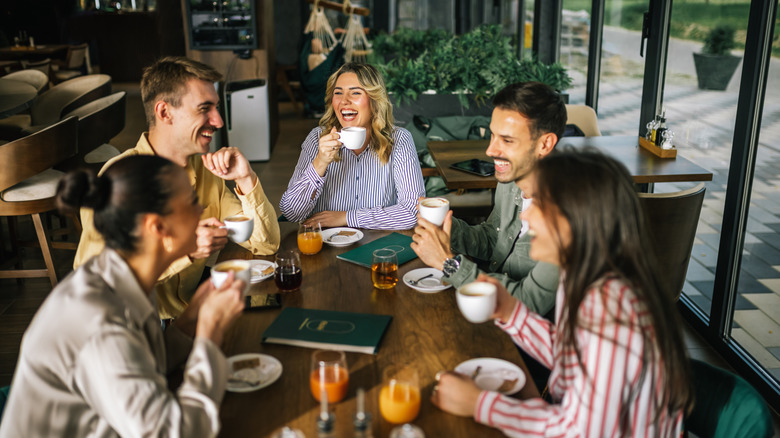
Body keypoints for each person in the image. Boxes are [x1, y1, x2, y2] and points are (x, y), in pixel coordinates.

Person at [431, 150, 692, 437]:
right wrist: (510, 312)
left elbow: (576, 431)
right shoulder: (586, 275)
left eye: (539, 203)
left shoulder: (612, 313)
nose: (526, 213)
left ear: (574, 219)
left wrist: (479, 403)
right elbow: (573, 352)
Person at [0, 156, 245, 437]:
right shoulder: (99, 322)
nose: (200, 208)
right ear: (158, 228)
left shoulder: (122, 273)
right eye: (191, 201)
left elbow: (139, 366)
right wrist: (209, 336)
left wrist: (188, 325)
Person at [73, 56, 280, 319]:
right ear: (164, 112)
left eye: (216, 108)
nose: (218, 121)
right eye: (204, 108)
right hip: (141, 327)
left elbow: (266, 245)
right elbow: (95, 289)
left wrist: (245, 178)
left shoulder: (206, 169)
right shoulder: (118, 182)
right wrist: (185, 251)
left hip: (194, 313)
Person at [411, 81, 564, 315]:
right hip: (486, 307)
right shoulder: (511, 179)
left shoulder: (568, 212)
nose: (490, 151)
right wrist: (449, 230)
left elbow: (530, 303)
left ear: (545, 144)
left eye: (507, 140)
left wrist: (448, 263)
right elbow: (494, 239)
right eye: (492, 136)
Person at [279, 62, 425, 230]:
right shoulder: (317, 139)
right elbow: (291, 213)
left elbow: (413, 212)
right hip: (326, 244)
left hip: (378, 247)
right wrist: (320, 162)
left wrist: (346, 217)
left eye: (355, 93)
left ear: (375, 100)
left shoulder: (399, 139)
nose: (344, 101)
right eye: (338, 93)